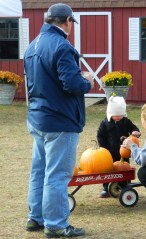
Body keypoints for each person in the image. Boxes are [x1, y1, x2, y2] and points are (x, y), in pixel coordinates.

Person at [24, 3, 94, 238]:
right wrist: (87, 81)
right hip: (60, 120)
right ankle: (56, 224)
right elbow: (72, 85)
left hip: (38, 117)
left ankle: (36, 217)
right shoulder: (62, 46)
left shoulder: (32, 45)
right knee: (57, 175)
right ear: (67, 22)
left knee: (39, 170)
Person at [97, 96, 141, 198]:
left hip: (124, 151)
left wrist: (135, 131)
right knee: (108, 170)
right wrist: (103, 148)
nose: (118, 117)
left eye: (120, 115)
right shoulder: (105, 123)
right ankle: (106, 188)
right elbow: (100, 136)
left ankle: (124, 186)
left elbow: (133, 128)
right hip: (109, 152)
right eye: (115, 115)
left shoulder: (126, 121)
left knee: (124, 169)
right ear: (110, 114)